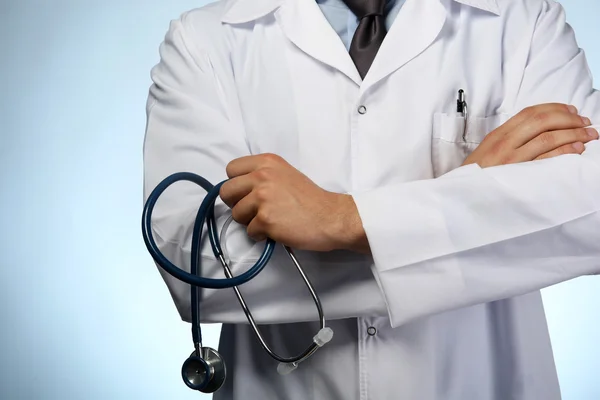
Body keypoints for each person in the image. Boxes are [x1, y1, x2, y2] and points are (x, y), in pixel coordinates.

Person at [143, 0, 600, 398]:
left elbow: (590, 215)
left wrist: (343, 220)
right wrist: (475, 198)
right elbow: (195, 267)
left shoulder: (524, 24)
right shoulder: (204, 41)